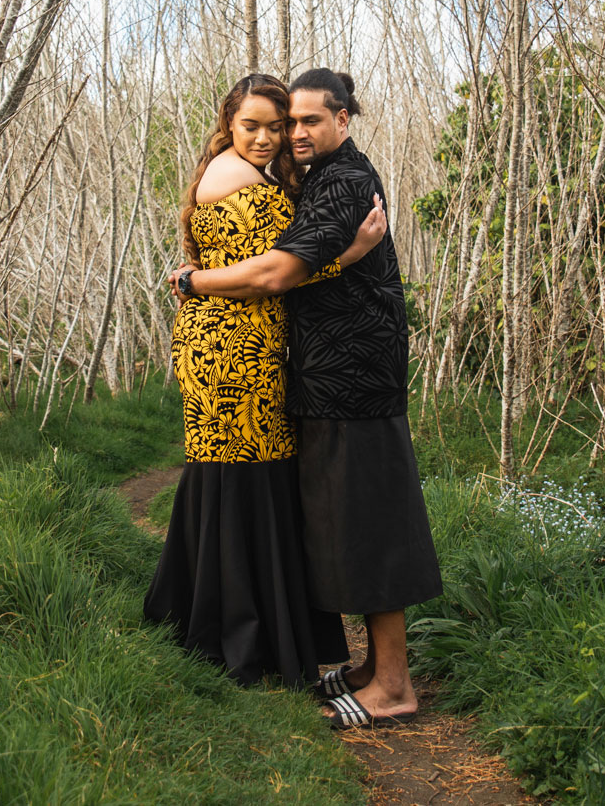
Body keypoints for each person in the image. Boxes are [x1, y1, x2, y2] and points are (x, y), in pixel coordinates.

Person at [168, 69, 440, 730]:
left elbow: (278, 270)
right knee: (344, 520)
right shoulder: (311, 178)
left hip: (354, 380)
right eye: (283, 123)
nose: (290, 134)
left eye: (305, 120)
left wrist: (193, 278)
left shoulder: (343, 181)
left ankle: (393, 685)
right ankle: (371, 669)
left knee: (371, 523)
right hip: (324, 377)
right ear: (230, 122)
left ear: (345, 119)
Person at [143, 73, 387, 687]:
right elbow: (272, 274)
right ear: (228, 123)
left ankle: (234, 627)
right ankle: (236, 638)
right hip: (230, 346)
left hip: (245, 341)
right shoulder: (236, 175)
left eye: (275, 127)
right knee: (241, 474)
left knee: (246, 473)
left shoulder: (261, 176)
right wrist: (351, 255)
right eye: (250, 125)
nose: (264, 137)